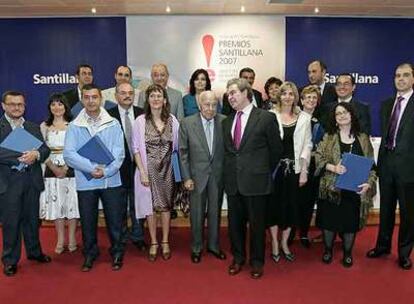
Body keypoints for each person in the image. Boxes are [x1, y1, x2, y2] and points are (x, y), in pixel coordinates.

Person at [223, 78, 282, 279]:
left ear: (246, 93)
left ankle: (257, 262)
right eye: (228, 93)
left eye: (233, 92)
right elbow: (228, 153)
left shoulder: (266, 118)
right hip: (233, 183)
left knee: (257, 226)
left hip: (257, 183)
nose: (229, 96)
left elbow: (276, 151)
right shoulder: (226, 121)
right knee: (234, 225)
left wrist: (262, 172)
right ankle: (238, 259)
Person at [63, 84, 126, 272]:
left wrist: (105, 171)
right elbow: (69, 154)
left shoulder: (113, 123)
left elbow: (119, 153)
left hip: (111, 180)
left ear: (101, 99)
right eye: (87, 97)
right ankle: (90, 253)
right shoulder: (74, 125)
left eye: (94, 97)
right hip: (86, 181)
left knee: (115, 220)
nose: (91, 101)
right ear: (82, 100)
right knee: (88, 221)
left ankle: (117, 252)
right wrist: (92, 169)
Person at [315, 102, 376, 268]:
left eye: (345, 112)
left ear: (352, 115)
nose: (342, 115)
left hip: (353, 192)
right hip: (330, 189)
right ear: (334, 119)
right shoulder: (328, 137)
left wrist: (368, 184)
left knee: (350, 224)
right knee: (329, 222)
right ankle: (327, 250)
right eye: (338, 114)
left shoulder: (362, 138)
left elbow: (371, 166)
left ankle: (348, 253)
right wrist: (333, 167)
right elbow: (318, 159)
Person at [367, 63, 414, 270]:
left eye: (405, 75)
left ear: (413, 79)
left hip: (409, 170)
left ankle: (404, 253)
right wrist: (379, 165)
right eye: (397, 75)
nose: (400, 79)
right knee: (385, 210)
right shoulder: (387, 104)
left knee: (407, 214)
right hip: (386, 167)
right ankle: (382, 246)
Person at [0, 91, 51, 277]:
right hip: (9, 183)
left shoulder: (32, 126)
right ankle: (10, 260)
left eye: (20, 104)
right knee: (11, 223)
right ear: (3, 105)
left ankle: (34, 252)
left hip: (31, 181)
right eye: (12, 104)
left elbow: (45, 149)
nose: (16, 107)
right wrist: (23, 155)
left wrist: (36, 155)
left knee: (31, 221)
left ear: (24, 106)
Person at [132, 84, 179, 262]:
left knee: (166, 207)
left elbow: (177, 148)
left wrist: (179, 174)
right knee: (149, 208)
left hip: (167, 170)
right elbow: (135, 148)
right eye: (152, 96)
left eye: (159, 96)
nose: (156, 99)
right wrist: (142, 172)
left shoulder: (173, 120)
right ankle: (153, 242)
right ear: (148, 100)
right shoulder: (140, 121)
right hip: (147, 170)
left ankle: (165, 241)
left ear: (165, 100)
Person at [179, 90, 226, 263]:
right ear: (199, 105)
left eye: (214, 105)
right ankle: (196, 247)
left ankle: (213, 246)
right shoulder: (187, 123)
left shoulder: (224, 121)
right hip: (196, 178)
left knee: (215, 212)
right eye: (207, 104)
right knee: (197, 214)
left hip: (217, 176)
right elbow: (183, 153)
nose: (211, 108)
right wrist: (187, 178)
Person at [268, 82, 312, 262]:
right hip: (274, 171)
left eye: (291, 94)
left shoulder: (304, 118)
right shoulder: (270, 116)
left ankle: (285, 243)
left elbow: (308, 145)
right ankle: (274, 243)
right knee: (273, 208)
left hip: (294, 171)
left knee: (290, 209)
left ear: (295, 97)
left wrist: (304, 171)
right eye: (284, 93)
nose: (287, 96)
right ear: (279, 96)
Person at [107, 82, 146, 251]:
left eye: (130, 92)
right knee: (119, 206)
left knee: (138, 205)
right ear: (116, 96)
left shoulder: (142, 114)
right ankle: (121, 237)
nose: (127, 95)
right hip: (117, 169)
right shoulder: (108, 115)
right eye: (123, 93)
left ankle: (137, 236)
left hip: (139, 168)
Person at [39, 93, 79, 254]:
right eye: (53, 104)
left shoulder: (74, 125)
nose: (57, 107)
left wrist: (66, 167)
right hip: (50, 169)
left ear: (65, 106)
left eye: (60, 104)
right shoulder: (43, 126)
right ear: (49, 107)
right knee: (57, 206)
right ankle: (60, 239)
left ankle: (72, 238)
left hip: (71, 169)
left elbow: (76, 149)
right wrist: (54, 168)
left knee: (71, 205)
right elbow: (41, 150)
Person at [296, 85, 324, 248]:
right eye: (308, 97)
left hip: (314, 165)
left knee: (308, 201)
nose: (311, 100)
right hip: (297, 163)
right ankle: (290, 231)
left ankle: (304, 233)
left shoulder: (322, 120)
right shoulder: (295, 117)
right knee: (295, 200)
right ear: (302, 100)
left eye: (314, 98)